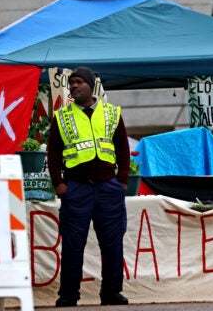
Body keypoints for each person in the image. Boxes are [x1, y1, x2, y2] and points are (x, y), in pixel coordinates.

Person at [47, 66, 131, 307]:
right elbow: (53, 154)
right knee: (73, 244)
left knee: (112, 243)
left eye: (79, 82)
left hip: (108, 188)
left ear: (91, 85)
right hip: (76, 189)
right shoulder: (62, 116)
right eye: (71, 82)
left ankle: (112, 292)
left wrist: (122, 180)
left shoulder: (112, 113)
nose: (74, 86)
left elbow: (123, 148)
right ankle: (69, 294)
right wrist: (59, 184)